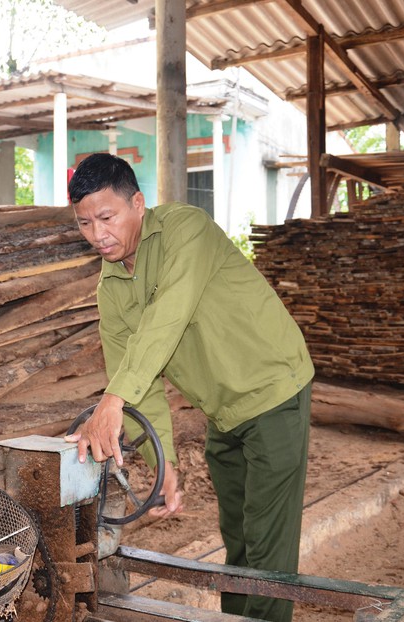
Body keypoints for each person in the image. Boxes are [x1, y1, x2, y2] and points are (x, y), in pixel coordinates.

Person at [64, 152, 314, 622]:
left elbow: (167, 317)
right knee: (238, 537)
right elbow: (140, 383)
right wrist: (166, 464)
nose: (98, 235)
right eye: (84, 224)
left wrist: (112, 400)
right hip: (224, 408)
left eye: (106, 217)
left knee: (268, 544)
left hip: (273, 390)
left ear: (137, 203)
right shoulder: (112, 287)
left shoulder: (186, 229)